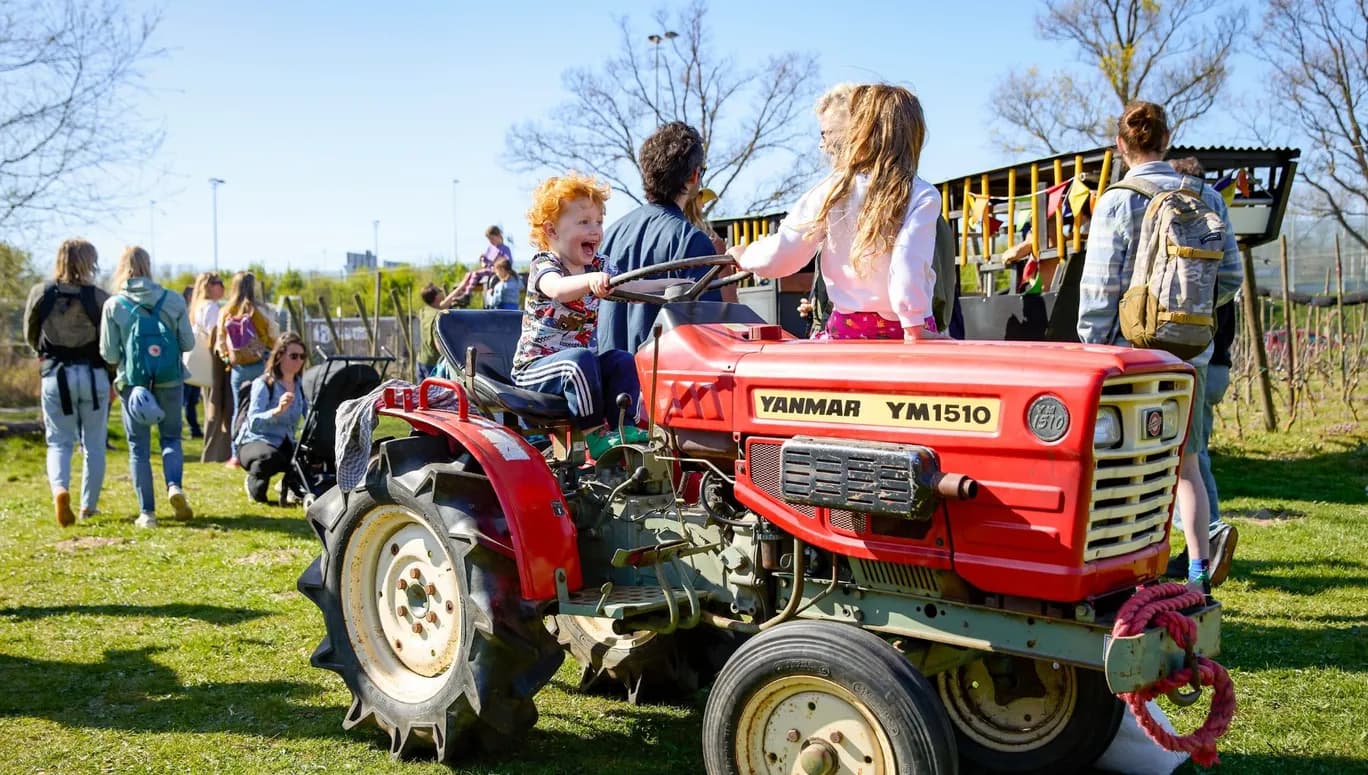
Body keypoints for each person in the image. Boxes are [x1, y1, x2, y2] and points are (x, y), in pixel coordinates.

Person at [1076, 103, 1243, 592]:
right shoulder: (1207, 196)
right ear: (1167, 140)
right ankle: (1197, 570)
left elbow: (1099, 289)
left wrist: (1094, 345)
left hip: (1127, 357)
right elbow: (1230, 277)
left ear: (1120, 146)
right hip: (1190, 355)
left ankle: (1125, 568)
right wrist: (1190, 316)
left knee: (1120, 466)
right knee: (1188, 462)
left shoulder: (1116, 200)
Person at [729, 84, 942, 342]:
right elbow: (907, 262)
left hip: (848, 332)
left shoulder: (832, 189)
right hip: (907, 331)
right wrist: (914, 328)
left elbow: (784, 253)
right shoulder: (921, 194)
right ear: (915, 135)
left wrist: (746, 256)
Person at [800, 82, 960, 338]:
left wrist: (915, 326)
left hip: (888, 337)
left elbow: (932, 290)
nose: (826, 147)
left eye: (830, 135)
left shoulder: (917, 204)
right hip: (858, 333)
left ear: (862, 134)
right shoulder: (833, 199)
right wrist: (817, 309)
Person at [510, 173, 647, 458]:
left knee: (622, 360)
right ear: (552, 231)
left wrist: (678, 286)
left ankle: (624, 429)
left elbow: (633, 286)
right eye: (584, 222)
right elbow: (557, 289)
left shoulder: (598, 265)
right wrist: (591, 280)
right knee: (579, 361)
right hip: (535, 368)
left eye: (598, 222)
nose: (595, 230)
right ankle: (595, 437)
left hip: (581, 367)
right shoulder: (545, 264)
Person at [1164, 157, 1240, 585]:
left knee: (1190, 457)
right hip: (1213, 361)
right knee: (1194, 453)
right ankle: (1199, 541)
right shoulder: (1213, 258)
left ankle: (1210, 534)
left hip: (1196, 363)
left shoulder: (1179, 267)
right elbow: (1229, 289)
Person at [599, 121, 725, 354]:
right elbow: (710, 335)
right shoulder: (691, 240)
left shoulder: (607, 236)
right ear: (695, 176)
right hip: (658, 374)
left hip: (607, 373)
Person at [99, 246, 197, 528]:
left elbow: (109, 355)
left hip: (134, 385)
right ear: (148, 266)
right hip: (170, 379)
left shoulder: (114, 305)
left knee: (138, 448)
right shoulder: (173, 299)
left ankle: (147, 514)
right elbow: (188, 343)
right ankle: (174, 485)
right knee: (171, 439)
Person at [23, 238, 112, 527]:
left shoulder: (41, 292)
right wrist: (112, 376)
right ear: (90, 262)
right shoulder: (99, 297)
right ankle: (89, 506)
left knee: (58, 442)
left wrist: (42, 353)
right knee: (94, 444)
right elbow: (109, 342)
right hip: (93, 375)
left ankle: (60, 489)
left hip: (55, 374)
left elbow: (30, 333)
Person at [236, 332, 309, 503]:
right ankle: (253, 483)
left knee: (311, 455)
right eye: (294, 356)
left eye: (302, 357)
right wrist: (277, 411)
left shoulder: (299, 385)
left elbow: (309, 415)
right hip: (256, 441)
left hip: (286, 442)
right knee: (270, 457)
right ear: (279, 356)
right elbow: (253, 422)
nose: (299, 361)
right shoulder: (263, 384)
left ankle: (290, 486)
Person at [217, 271, 276, 467]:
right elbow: (271, 335)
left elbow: (220, 341)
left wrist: (228, 358)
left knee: (238, 408)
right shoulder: (259, 311)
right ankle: (259, 446)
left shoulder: (226, 311)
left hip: (238, 367)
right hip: (260, 364)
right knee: (261, 406)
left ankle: (235, 454)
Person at [189, 272, 232, 462]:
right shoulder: (211, 307)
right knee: (217, 408)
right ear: (209, 286)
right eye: (218, 283)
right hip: (214, 362)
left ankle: (215, 452)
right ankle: (214, 453)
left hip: (204, 364)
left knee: (210, 407)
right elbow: (214, 335)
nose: (222, 286)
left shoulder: (198, 306)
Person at [447, 225, 513, 306]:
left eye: (492, 239)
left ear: (498, 236)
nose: (490, 241)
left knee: (476, 273)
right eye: (489, 239)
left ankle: (467, 295)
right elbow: (485, 261)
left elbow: (508, 262)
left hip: (496, 271)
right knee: (469, 274)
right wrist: (483, 259)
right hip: (487, 270)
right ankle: (461, 295)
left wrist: (497, 263)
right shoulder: (490, 248)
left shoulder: (505, 249)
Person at [180, 285, 204, 439]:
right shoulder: (185, 312)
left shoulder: (194, 311)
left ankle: (194, 428)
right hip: (188, 360)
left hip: (195, 360)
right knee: (187, 398)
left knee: (192, 399)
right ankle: (192, 428)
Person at [416, 283, 445, 380]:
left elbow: (444, 305)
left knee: (421, 389)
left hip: (421, 359)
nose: (442, 292)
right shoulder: (438, 316)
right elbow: (438, 344)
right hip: (433, 363)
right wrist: (448, 359)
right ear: (436, 297)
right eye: (439, 291)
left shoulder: (424, 311)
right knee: (435, 389)